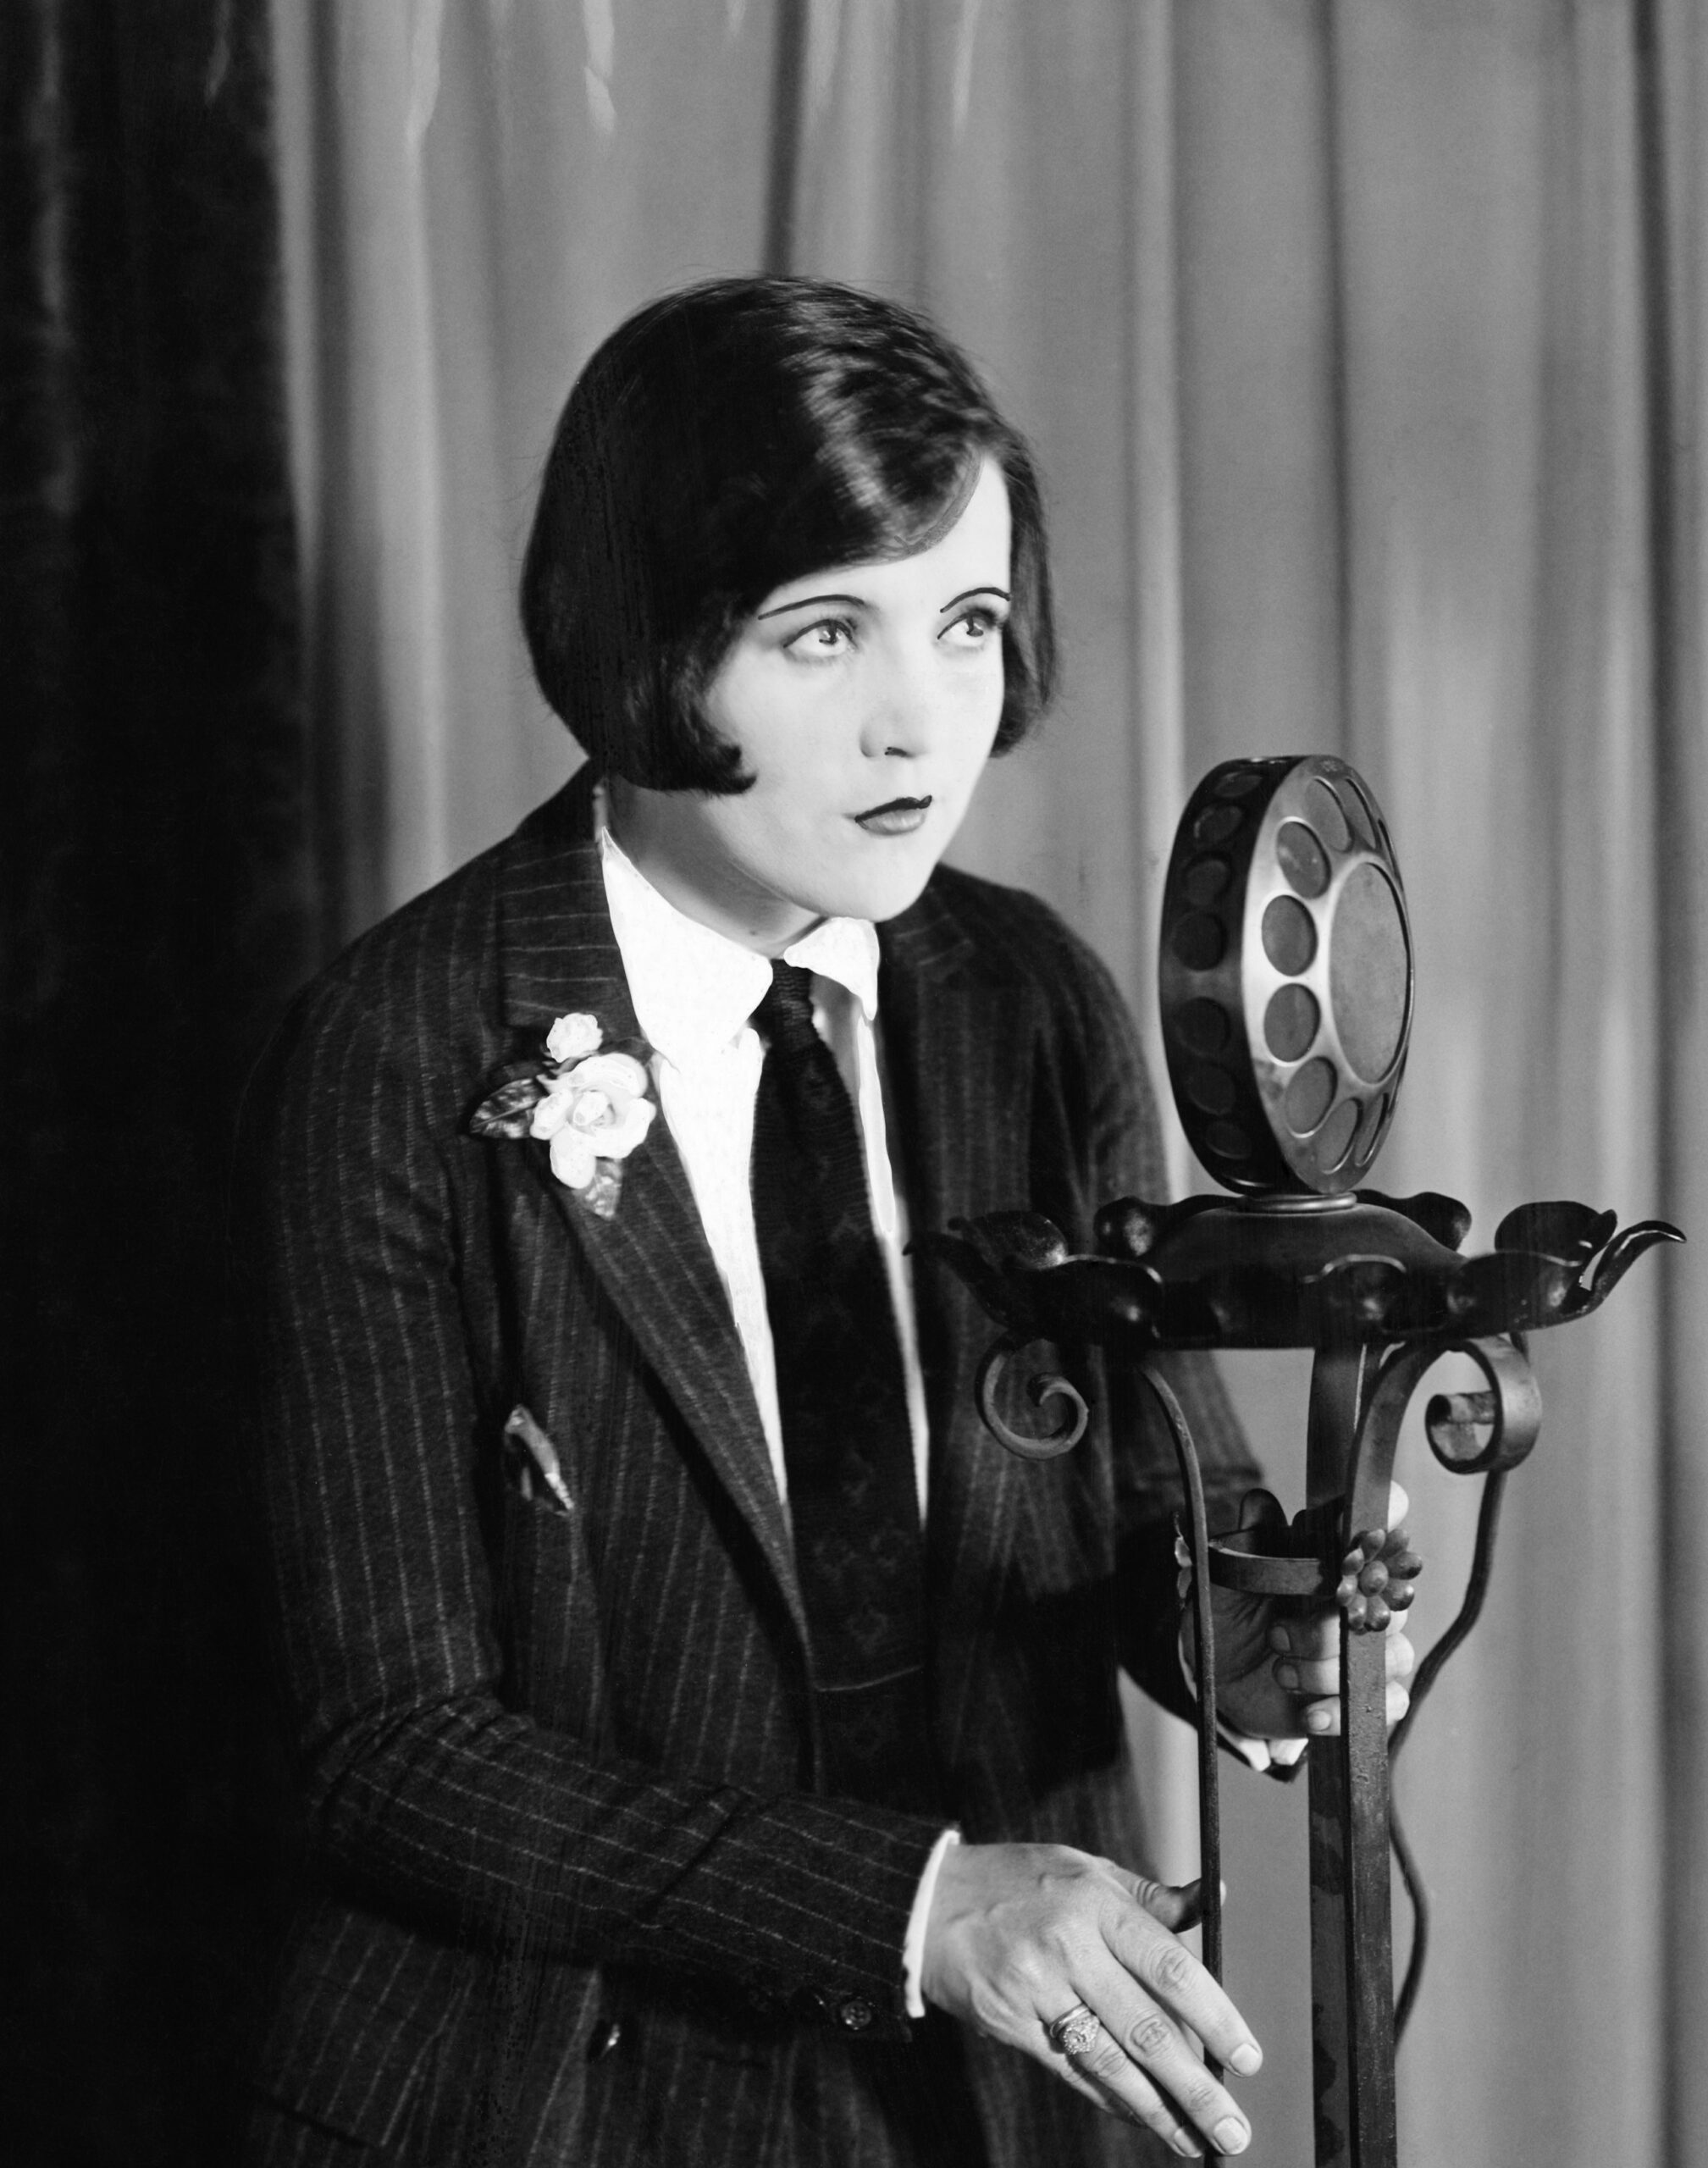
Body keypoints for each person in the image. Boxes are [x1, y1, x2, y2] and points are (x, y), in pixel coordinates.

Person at [235, 276, 1412, 2167]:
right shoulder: (397, 1049)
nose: (914, 724)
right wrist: (914, 1906)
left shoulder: (1028, 999)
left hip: (994, 2109)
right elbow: (393, 1748)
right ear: (650, 639)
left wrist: (1253, 1651)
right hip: (552, 2094)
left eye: (963, 626)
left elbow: (1139, 1523)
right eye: (821, 634)